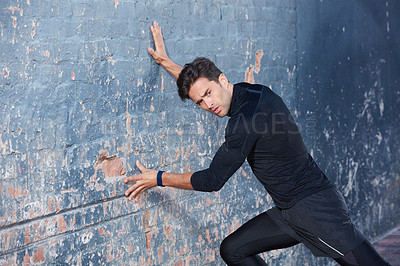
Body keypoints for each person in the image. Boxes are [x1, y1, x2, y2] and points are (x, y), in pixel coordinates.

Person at [123, 21, 390, 266]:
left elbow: (212, 180)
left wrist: (157, 177)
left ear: (223, 80)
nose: (208, 104)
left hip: (315, 212)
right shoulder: (250, 93)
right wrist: (168, 63)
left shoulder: (244, 121)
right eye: (200, 102)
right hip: (290, 211)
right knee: (234, 249)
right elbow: (205, 87)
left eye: (208, 95)